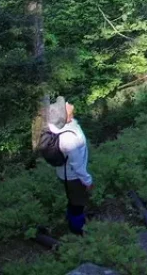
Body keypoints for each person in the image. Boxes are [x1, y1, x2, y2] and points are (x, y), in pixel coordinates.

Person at [45, 97, 92, 236]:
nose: (67, 104)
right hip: (73, 177)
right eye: (64, 106)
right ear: (65, 117)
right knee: (78, 203)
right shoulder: (69, 139)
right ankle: (77, 229)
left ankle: (71, 217)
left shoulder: (63, 126)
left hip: (66, 173)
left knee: (72, 199)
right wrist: (88, 181)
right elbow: (77, 165)